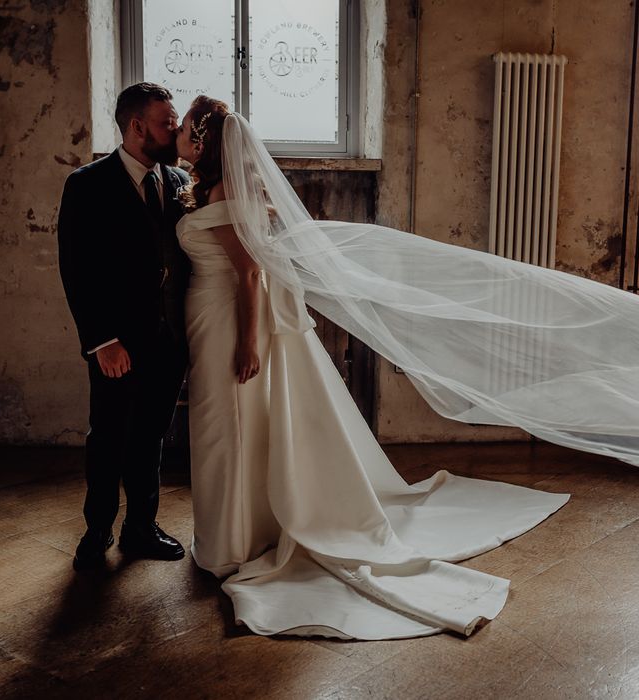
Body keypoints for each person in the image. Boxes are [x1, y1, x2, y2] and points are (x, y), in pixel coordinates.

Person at [175, 96, 569, 639]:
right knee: (227, 428)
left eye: (183, 124)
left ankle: (231, 543)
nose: (174, 129)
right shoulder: (212, 188)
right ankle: (239, 531)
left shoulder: (221, 193)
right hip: (212, 319)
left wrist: (247, 343)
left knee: (227, 428)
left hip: (226, 323)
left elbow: (246, 276)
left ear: (201, 141)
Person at [58, 83, 190, 571]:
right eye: (165, 122)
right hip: (117, 342)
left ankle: (141, 529)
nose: (174, 131)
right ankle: (97, 531)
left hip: (170, 339)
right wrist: (101, 341)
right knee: (109, 435)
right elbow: (76, 268)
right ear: (137, 127)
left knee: (152, 435)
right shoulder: (87, 184)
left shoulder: (178, 182)